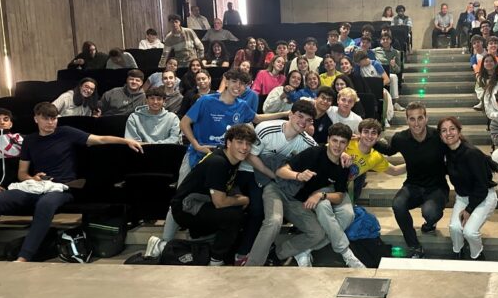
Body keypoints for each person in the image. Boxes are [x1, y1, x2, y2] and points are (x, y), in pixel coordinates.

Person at [0, 102, 142, 262]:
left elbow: (100, 139)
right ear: (36, 119)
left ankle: (24, 256)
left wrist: (126, 141)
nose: (50, 122)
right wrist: (33, 178)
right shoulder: (30, 140)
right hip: (36, 186)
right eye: (46, 119)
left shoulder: (66, 133)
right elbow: (22, 173)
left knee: (45, 205)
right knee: (1, 199)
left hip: (63, 187)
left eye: (53, 119)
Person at [150, 125, 254, 266]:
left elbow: (228, 187)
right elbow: (220, 202)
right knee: (233, 215)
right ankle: (215, 259)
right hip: (185, 208)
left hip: (201, 203)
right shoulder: (218, 162)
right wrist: (243, 200)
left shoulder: (231, 159)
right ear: (229, 143)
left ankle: (172, 247)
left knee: (238, 215)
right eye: (240, 142)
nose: (245, 147)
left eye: (248, 143)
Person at [269, 123, 365, 268]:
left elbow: (339, 195)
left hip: (318, 195)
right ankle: (346, 252)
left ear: (347, 144)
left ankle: (305, 250)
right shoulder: (314, 153)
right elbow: (280, 171)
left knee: (346, 215)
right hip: (294, 197)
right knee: (319, 226)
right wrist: (298, 175)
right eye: (334, 140)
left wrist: (321, 195)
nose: (337, 146)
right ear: (328, 140)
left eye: (342, 142)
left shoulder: (344, 164)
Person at [240, 100, 319, 266]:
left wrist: (343, 156)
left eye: (308, 120)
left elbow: (323, 155)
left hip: (289, 188)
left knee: (317, 233)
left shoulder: (308, 142)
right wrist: (274, 175)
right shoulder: (267, 129)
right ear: (290, 114)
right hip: (260, 178)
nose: (303, 122)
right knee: (273, 219)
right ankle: (251, 266)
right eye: (300, 116)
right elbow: (250, 155)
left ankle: (277, 254)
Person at [374, 102, 448, 258]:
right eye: (412, 119)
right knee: (398, 204)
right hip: (413, 185)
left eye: (420, 118)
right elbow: (388, 150)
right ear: (407, 120)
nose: (416, 123)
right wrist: (368, 140)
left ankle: (429, 224)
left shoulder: (438, 137)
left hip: (437, 188)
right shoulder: (401, 138)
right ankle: (414, 246)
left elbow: (460, 149)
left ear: (426, 118)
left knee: (430, 212)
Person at [440, 116, 498, 261]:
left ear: (459, 131)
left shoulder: (470, 153)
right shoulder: (446, 151)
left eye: (452, 129)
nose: (448, 133)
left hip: (483, 197)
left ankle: (477, 255)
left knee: (470, 232)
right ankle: (458, 251)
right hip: (463, 197)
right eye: (444, 130)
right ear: (440, 135)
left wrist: (469, 210)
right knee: (455, 228)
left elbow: (481, 188)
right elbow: (485, 157)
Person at [346, 118, 406, 202]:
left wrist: (414, 162)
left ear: (378, 137)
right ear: (360, 133)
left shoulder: (375, 156)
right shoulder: (348, 142)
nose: (369, 136)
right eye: (366, 132)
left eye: (373, 133)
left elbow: (394, 170)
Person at [0, 109, 22, 190]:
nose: (2, 122)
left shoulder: (20, 139)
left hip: (17, 185)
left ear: (11, 124)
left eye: (5, 119)